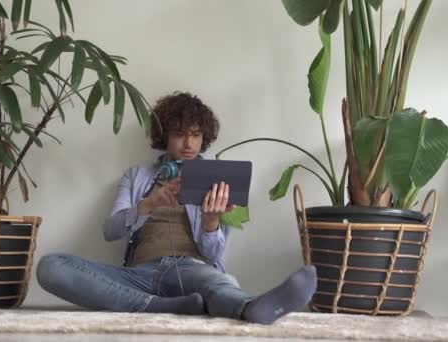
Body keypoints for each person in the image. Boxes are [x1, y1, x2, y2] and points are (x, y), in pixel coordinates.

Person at [36, 92, 317, 324]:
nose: (188, 143)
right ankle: (159, 306)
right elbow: (110, 231)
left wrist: (211, 223)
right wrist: (146, 205)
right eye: (180, 134)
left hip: (192, 268)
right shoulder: (136, 176)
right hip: (138, 274)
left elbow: (214, 254)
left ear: (203, 137)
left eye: (195, 135)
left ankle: (251, 307)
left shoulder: (219, 179)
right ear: (165, 136)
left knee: (219, 284)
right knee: (51, 267)